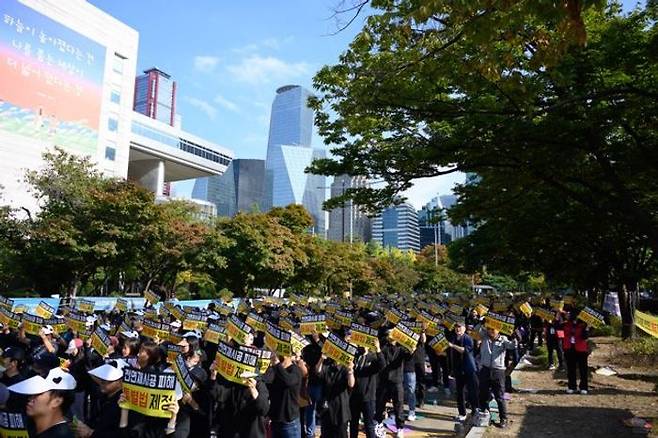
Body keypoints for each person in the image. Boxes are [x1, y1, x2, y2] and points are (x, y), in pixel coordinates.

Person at [8, 366, 77, 438]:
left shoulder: (60, 435)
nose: (30, 398)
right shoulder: (33, 428)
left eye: (38, 394)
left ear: (56, 401)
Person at [72, 359, 129, 438]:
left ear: (120, 382)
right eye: (101, 378)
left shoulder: (124, 404)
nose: (102, 382)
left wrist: (91, 433)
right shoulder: (103, 397)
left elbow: (121, 434)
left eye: (107, 380)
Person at [477, 325, 516, 429]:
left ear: (498, 329)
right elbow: (477, 329)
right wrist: (483, 322)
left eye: (493, 329)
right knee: (483, 394)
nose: (491, 331)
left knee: (499, 396)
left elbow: (512, 346)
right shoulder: (484, 337)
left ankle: (503, 418)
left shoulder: (503, 340)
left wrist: (515, 335)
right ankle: (486, 414)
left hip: (498, 371)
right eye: (489, 329)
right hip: (485, 369)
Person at [375, 329, 411, 438]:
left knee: (398, 405)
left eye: (390, 334)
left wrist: (412, 349)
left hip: (397, 381)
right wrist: (378, 350)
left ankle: (400, 428)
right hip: (384, 381)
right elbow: (382, 364)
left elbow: (408, 357)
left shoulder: (401, 349)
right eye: (387, 334)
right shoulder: (384, 347)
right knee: (380, 404)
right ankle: (379, 423)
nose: (388, 336)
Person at [349, 338, 385, 438]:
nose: (362, 346)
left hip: (368, 397)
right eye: (360, 343)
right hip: (354, 396)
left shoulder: (372, 358)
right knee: (353, 424)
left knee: (369, 425)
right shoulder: (355, 357)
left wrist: (378, 349)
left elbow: (382, 365)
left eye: (365, 344)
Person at [263, 349, 303, 438]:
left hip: (289, 423)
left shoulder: (295, 370)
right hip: (275, 420)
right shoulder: (275, 369)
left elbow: (288, 381)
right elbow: (266, 382)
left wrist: (277, 364)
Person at [315, 351, 355, 438]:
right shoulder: (328, 366)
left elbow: (351, 384)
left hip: (341, 409)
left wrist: (350, 371)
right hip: (327, 408)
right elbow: (318, 371)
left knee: (341, 434)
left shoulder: (345, 368)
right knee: (326, 434)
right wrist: (321, 359)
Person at [447, 319, 478, 422]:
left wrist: (453, 346)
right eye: (456, 327)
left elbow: (465, 350)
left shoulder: (468, 338)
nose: (458, 329)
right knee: (459, 392)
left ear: (464, 328)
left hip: (468, 369)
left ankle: (474, 411)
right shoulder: (453, 337)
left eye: (460, 327)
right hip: (457, 369)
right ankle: (462, 413)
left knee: (472, 391)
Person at [301, 333, 323, 438]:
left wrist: (318, 340)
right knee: (310, 410)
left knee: (322, 410)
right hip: (309, 382)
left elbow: (327, 350)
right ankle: (310, 433)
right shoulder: (306, 346)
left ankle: (322, 432)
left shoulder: (322, 343)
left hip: (321, 383)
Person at [562, 311, 590, 394]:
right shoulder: (566, 324)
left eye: (569, 314)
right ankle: (572, 386)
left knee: (583, 369)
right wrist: (558, 315)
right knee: (571, 369)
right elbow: (558, 327)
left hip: (581, 349)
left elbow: (585, 337)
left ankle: (584, 387)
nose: (567, 315)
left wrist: (587, 327)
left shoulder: (583, 325)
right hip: (569, 348)